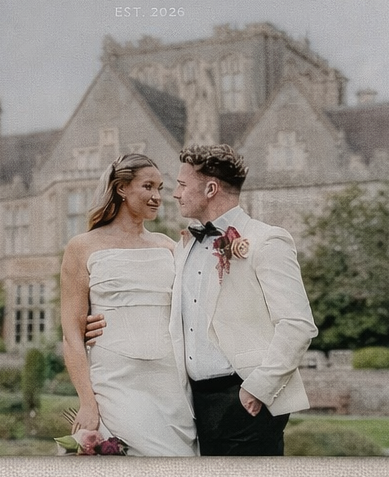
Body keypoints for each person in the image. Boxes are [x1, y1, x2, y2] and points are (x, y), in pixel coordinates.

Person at [87, 144, 317, 456]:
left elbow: (297, 325)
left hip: (246, 400)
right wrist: (99, 323)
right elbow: (152, 302)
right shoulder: (183, 247)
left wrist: (259, 387)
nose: (174, 194)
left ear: (210, 189)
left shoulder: (266, 240)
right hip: (192, 405)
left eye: (182, 185)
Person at [59, 153, 197, 457]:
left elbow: (194, 312)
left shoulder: (169, 247)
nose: (157, 197)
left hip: (170, 383)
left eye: (160, 188)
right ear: (121, 188)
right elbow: (71, 335)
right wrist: (87, 402)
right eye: (148, 186)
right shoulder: (81, 247)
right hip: (115, 381)